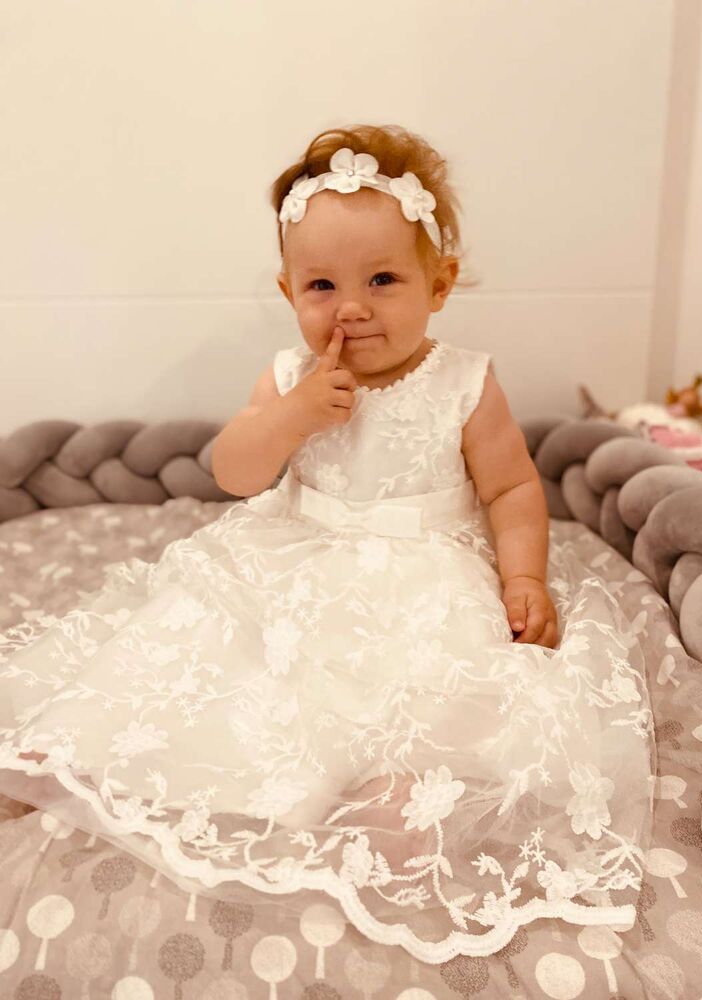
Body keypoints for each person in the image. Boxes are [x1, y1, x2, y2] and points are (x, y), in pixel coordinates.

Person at [0, 124, 654, 962]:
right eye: (321, 285)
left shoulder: (464, 381)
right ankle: (81, 751)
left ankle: (396, 794)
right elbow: (233, 472)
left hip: (423, 572)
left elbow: (512, 489)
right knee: (209, 639)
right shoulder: (288, 378)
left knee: (436, 679)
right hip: (295, 558)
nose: (350, 306)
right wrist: (291, 416)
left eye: (382, 279)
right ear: (289, 292)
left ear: (439, 284)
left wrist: (523, 576)